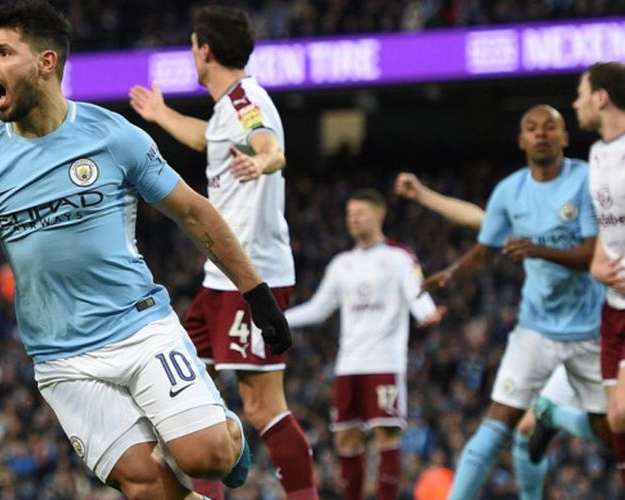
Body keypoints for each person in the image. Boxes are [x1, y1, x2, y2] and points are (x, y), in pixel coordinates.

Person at [0, 1, 293, 498]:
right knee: (144, 486)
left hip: (140, 327)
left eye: (2, 52)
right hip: (61, 358)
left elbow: (193, 212)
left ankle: (225, 431)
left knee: (204, 455)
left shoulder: (111, 135)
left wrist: (256, 294)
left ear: (45, 61)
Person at [129, 6, 317, 499]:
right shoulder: (227, 107)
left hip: (254, 276)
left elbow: (268, 143)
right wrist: (160, 114)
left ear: (205, 50)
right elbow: (208, 138)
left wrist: (266, 161)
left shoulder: (248, 101)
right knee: (190, 392)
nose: (192, 54)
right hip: (220, 281)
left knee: (260, 407)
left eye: (193, 46)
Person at [421, 104, 611, 499]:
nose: (541, 133)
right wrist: (453, 273)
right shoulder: (509, 191)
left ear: (564, 137)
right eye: (531, 127)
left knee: (613, 434)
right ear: (522, 140)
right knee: (499, 423)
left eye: (550, 127)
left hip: (591, 329)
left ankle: (555, 414)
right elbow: (484, 250)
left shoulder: (586, 180)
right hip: (535, 329)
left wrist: (539, 250)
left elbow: (593, 254)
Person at [284, 189, 444, 500]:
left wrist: (427, 313)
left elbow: (417, 293)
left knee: (386, 435)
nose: (353, 219)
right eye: (349, 214)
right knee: (345, 439)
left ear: (379, 214)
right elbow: (319, 308)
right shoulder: (342, 263)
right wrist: (280, 319)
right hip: (349, 364)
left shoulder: (399, 258)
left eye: (360, 213)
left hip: (384, 362)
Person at [574, 60, 625, 483]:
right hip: (613, 307)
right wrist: (596, 264)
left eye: (581, 93)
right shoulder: (597, 153)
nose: (575, 103)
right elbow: (606, 227)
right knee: (616, 418)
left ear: (601, 97)